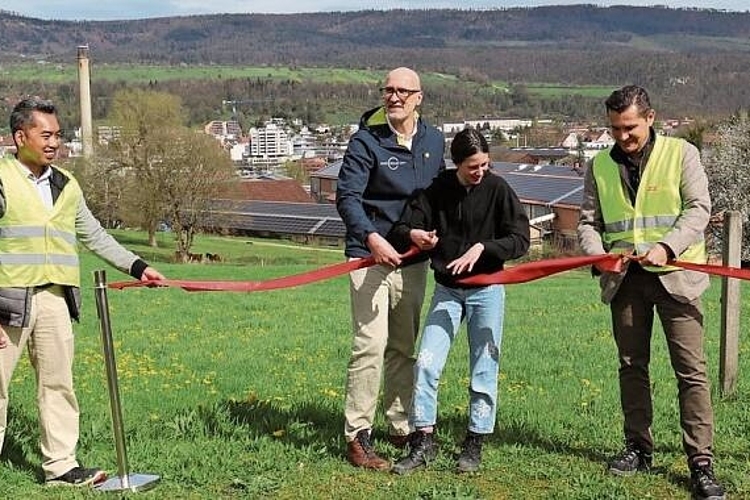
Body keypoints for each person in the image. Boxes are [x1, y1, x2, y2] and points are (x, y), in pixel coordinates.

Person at [0, 98, 165, 487]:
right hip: (6, 301)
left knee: (58, 384)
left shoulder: (66, 184)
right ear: (20, 136)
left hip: (55, 298)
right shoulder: (2, 178)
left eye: (57, 134)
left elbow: (94, 235)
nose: (54, 142)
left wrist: (138, 267)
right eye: (46, 135)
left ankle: (60, 467)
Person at [577, 85, 725, 500]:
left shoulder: (682, 154)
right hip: (625, 282)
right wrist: (598, 254)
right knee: (631, 366)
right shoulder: (600, 165)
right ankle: (638, 449)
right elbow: (588, 222)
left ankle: (701, 464)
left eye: (629, 128)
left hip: (676, 277)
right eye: (615, 129)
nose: (622, 137)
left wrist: (667, 246)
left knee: (690, 371)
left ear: (650, 118)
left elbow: (699, 208)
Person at [388, 128, 529, 474]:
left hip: (487, 291)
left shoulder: (498, 189)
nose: (480, 172)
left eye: (484, 164)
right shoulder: (438, 189)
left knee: (484, 366)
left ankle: (475, 440)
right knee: (426, 363)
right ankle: (424, 439)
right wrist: (415, 235)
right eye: (472, 167)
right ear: (456, 164)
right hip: (448, 291)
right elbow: (406, 225)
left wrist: (485, 248)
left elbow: (520, 238)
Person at [336, 67, 445, 469]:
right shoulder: (365, 142)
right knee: (370, 344)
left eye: (402, 91)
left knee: (403, 346)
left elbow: (437, 198)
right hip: (369, 256)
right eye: (388, 90)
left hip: (413, 260)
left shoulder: (434, 140)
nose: (394, 97)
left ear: (419, 97)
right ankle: (357, 436)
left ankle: (400, 426)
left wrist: (435, 237)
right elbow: (346, 197)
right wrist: (371, 238)